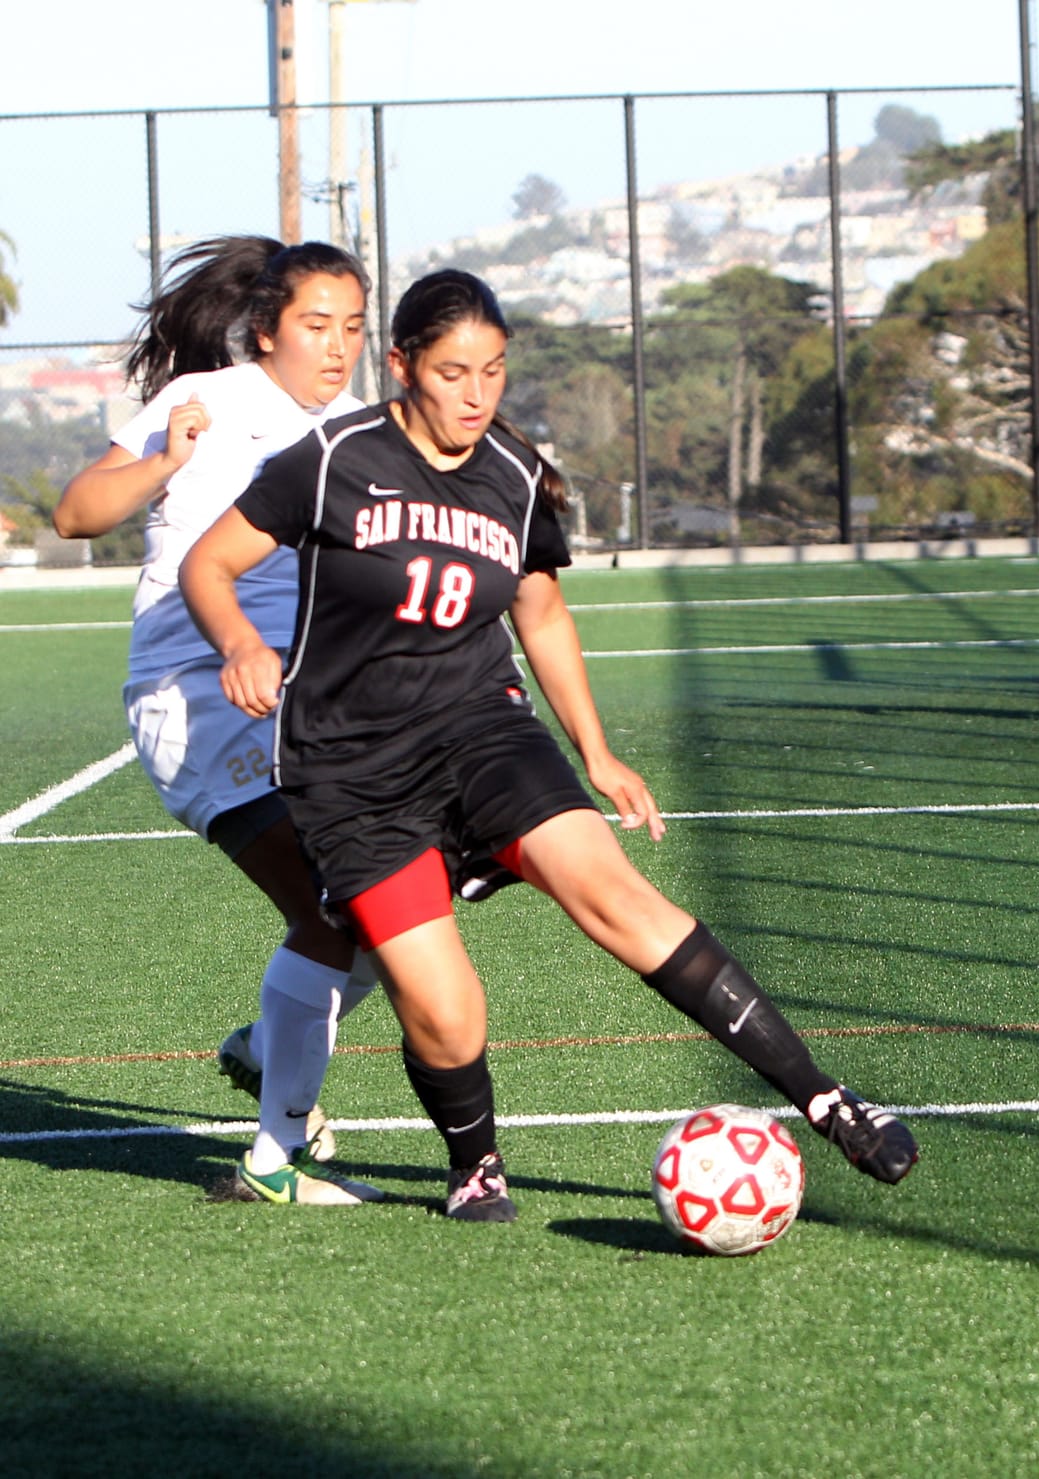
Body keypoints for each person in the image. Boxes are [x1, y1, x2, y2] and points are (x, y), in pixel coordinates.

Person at [179, 269, 919, 1223]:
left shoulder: (514, 476)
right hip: (354, 770)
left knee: (616, 893)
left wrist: (597, 752)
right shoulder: (332, 460)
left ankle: (826, 1099)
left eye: (493, 371)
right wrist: (241, 641)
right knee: (447, 1008)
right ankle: (476, 1166)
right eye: (453, 372)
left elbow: (542, 611)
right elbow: (210, 562)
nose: (477, 394)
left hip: (483, 732)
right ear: (402, 366)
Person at [55, 236, 383, 1207]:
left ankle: (265, 1050)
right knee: (329, 916)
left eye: (353, 329)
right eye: (316, 326)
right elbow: (77, 513)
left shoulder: (360, 434)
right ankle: (275, 1163)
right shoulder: (209, 401)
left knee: (388, 914)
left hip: (303, 704)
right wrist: (165, 462)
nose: (336, 348)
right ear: (265, 331)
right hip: (196, 699)